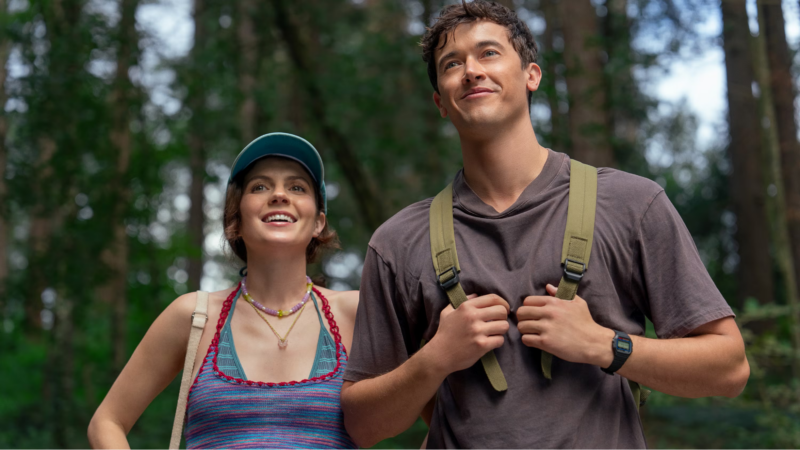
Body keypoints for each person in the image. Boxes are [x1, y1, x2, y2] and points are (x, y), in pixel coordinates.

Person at [339, 2, 749, 449]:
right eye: (452, 64)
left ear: (531, 75)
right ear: (440, 100)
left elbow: (729, 369)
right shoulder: (397, 243)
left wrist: (605, 345)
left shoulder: (632, 204)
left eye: (489, 53)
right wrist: (434, 358)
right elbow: (363, 426)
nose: (471, 70)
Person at [88, 133, 359, 449]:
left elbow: (429, 405)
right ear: (236, 221)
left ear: (319, 223)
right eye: (260, 187)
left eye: (297, 187)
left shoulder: (357, 312)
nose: (279, 195)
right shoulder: (193, 316)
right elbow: (107, 422)